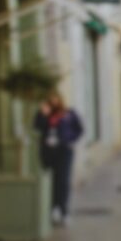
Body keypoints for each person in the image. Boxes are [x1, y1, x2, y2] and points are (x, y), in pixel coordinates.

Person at [34, 92, 83, 226]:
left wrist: (70, 140)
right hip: (48, 151)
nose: (53, 100)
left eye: (55, 98)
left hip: (64, 151)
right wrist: (42, 114)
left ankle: (63, 210)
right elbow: (37, 127)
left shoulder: (69, 113)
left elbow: (79, 129)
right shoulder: (45, 114)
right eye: (51, 98)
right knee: (51, 180)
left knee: (63, 180)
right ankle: (52, 208)